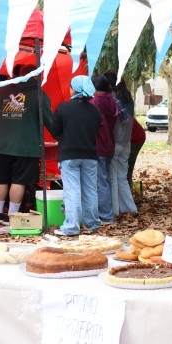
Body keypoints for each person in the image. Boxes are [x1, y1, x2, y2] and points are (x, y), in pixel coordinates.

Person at [0, 64, 51, 225]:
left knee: (1, 179)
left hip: (2, 144)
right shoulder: (39, 94)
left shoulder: (1, 90)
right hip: (26, 146)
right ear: (36, 75)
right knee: (19, 180)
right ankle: (12, 215)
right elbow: (48, 120)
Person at [49, 76, 101, 236]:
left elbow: (55, 131)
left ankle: (71, 226)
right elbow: (97, 130)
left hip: (69, 155)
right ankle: (92, 224)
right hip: (90, 155)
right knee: (90, 190)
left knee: (72, 190)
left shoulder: (63, 108)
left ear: (74, 89)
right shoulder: (95, 110)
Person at [90, 73, 118, 225]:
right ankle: (107, 212)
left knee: (100, 182)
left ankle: (105, 215)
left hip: (98, 145)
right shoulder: (111, 100)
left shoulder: (96, 102)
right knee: (105, 180)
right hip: (109, 144)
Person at [110, 74, 137, 216]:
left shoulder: (113, 100)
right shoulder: (129, 100)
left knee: (113, 178)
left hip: (115, 142)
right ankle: (130, 208)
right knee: (122, 177)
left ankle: (114, 210)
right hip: (126, 143)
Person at [127, 117, 146, 190]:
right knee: (126, 170)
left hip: (135, 139)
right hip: (133, 137)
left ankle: (129, 196)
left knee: (126, 171)